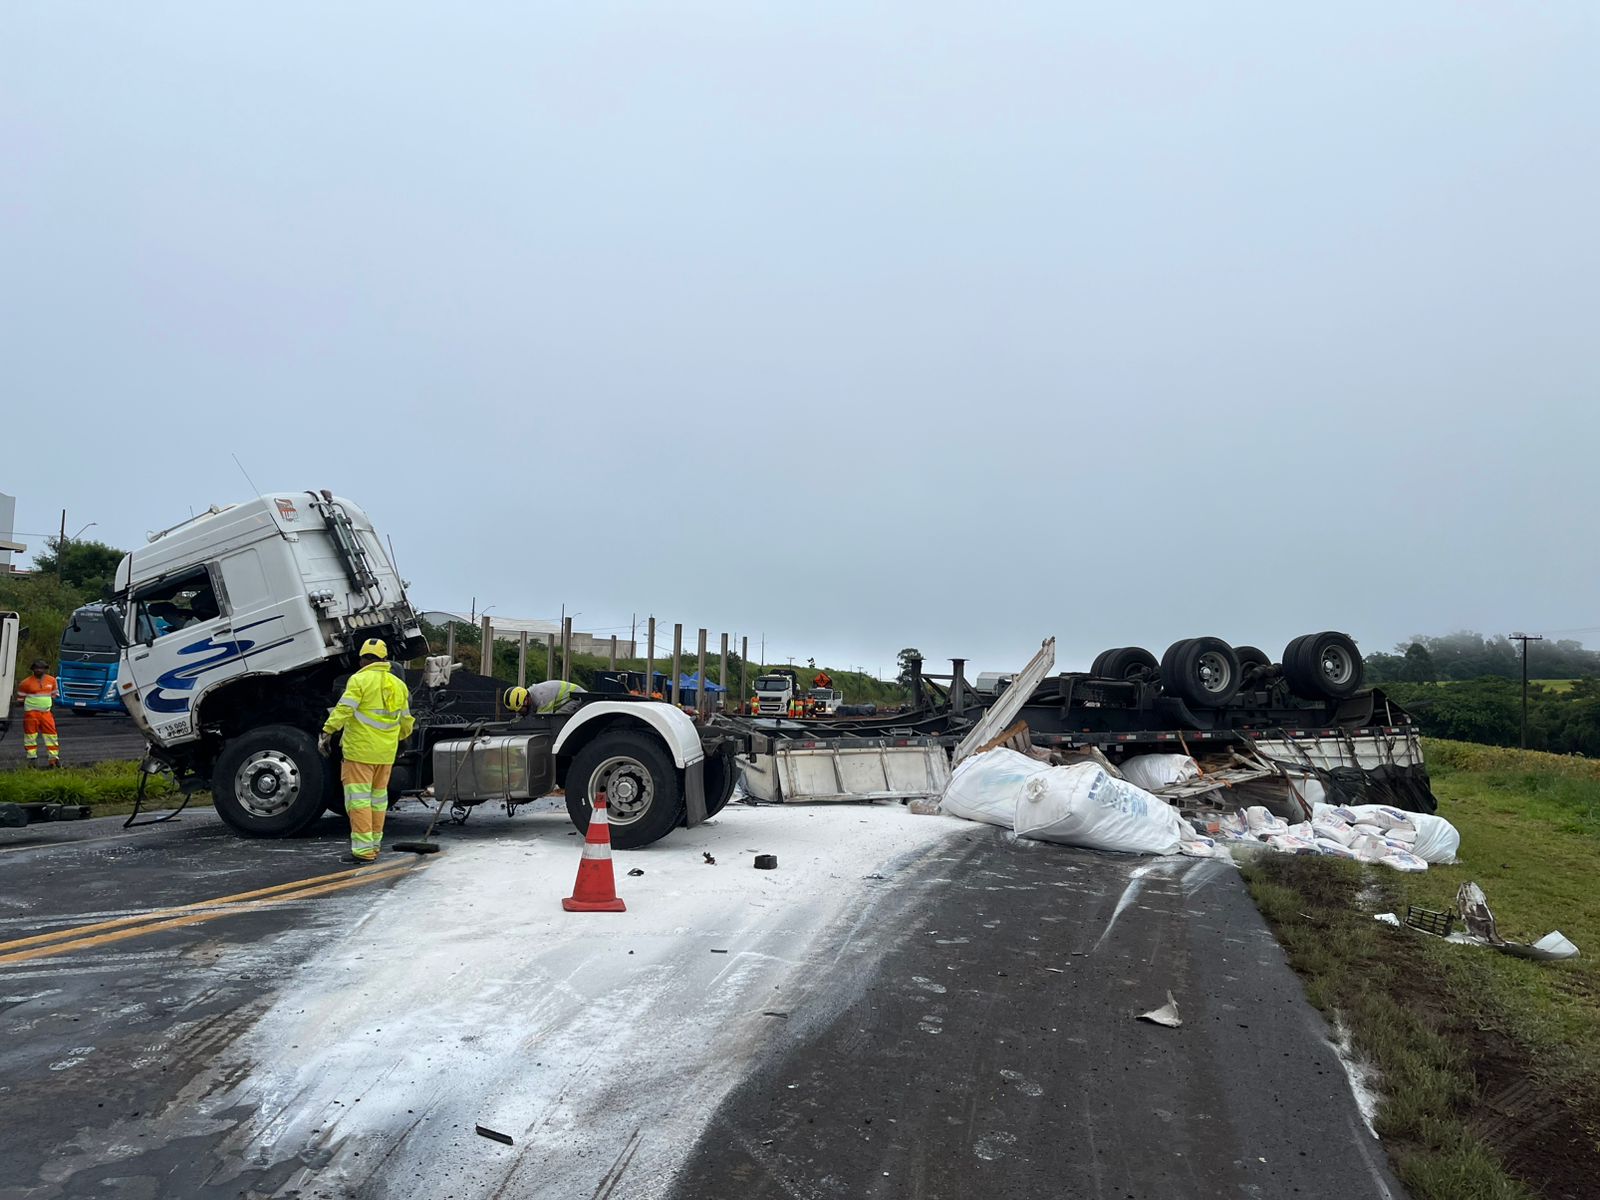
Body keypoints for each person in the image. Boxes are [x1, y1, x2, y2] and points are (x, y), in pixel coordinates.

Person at [319, 638, 414, 863]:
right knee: (378, 800)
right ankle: (374, 845)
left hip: (359, 753)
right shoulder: (398, 684)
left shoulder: (359, 680)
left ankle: (362, 851)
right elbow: (406, 720)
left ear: (362, 659)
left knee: (358, 801)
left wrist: (327, 730)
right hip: (385, 754)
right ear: (384, 659)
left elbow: (344, 709)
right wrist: (402, 741)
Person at [16, 659, 61, 768]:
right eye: (36, 668)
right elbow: (20, 699)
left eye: (41, 668)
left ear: (45, 669)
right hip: (31, 713)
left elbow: (54, 695)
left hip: (46, 713)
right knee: (30, 736)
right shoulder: (25, 683)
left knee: (51, 735)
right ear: (33, 670)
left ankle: (53, 758)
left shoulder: (52, 681)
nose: (39, 670)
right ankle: (31, 758)